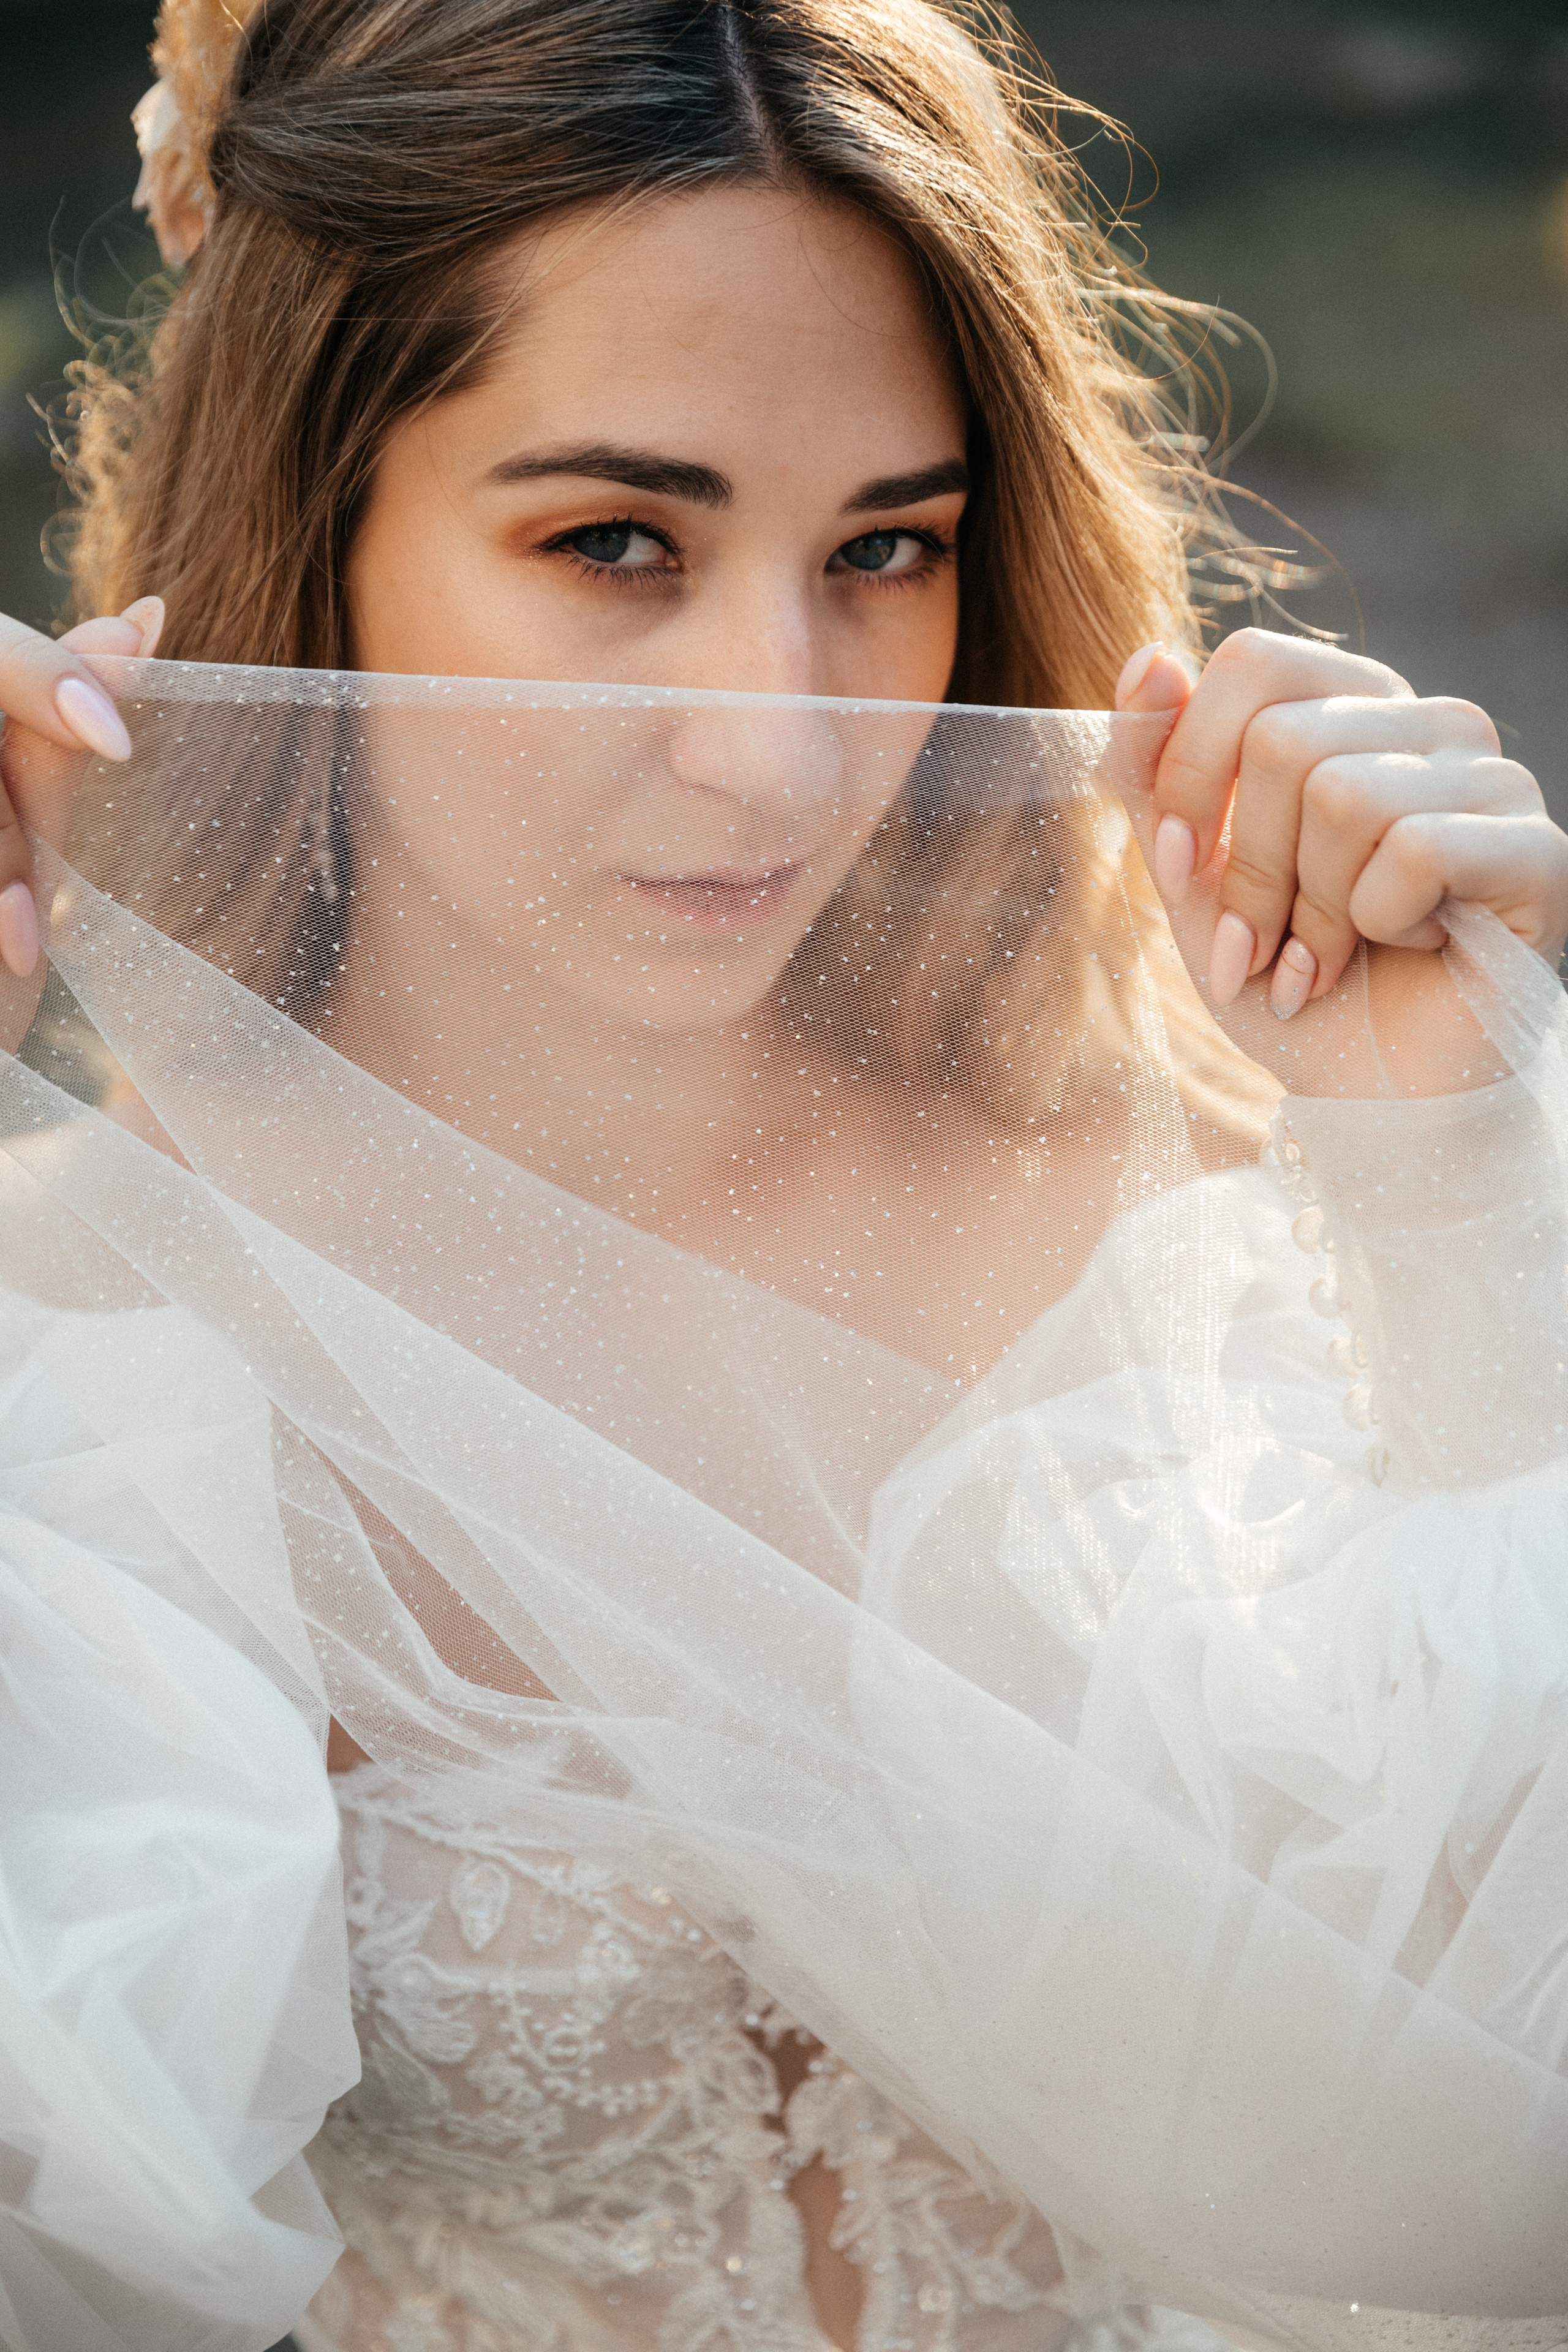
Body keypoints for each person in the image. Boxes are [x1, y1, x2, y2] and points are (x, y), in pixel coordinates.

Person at [0, 4, 1565, 2351]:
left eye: (888, 548)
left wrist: (1452, 1169)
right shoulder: (81, 1354)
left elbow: (1487, 2141)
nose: (784, 744)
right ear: (317, 527)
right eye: (617, 538)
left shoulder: (1223, 1194)